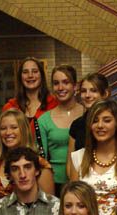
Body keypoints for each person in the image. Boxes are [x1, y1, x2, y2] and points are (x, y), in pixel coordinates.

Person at [0, 108, 54, 201]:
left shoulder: (41, 165)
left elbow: (49, 206)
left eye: (14, 127)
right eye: (3, 128)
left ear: (24, 130)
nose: (8, 133)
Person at [39, 65, 84, 194]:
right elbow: (41, 159)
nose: (60, 88)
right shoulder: (43, 120)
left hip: (86, 179)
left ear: (75, 86)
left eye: (66, 82)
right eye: (56, 83)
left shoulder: (87, 114)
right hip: (55, 184)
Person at [3, 57, 58, 151]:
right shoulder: (10, 107)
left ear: (42, 75)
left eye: (35, 71)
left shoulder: (54, 104)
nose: (30, 75)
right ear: (20, 77)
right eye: (25, 72)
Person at [68, 72, 111, 153]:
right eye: (83, 91)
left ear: (105, 94)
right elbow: (70, 162)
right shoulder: (77, 125)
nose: (87, 95)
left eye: (93, 90)